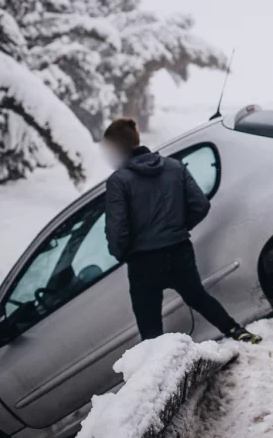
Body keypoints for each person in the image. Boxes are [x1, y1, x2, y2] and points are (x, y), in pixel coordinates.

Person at [102, 117, 260, 344]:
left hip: (143, 262)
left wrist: (122, 253)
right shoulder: (174, 167)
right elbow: (200, 205)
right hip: (178, 251)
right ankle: (236, 331)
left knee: (149, 323)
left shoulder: (119, 180)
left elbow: (118, 228)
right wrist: (176, 229)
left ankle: (159, 370)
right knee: (198, 297)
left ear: (118, 148)